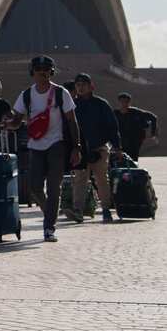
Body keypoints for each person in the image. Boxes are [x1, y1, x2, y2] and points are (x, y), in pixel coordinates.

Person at [7, 55, 82, 243]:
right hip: (35, 146)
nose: (43, 74)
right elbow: (17, 120)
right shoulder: (26, 95)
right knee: (34, 187)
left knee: (54, 186)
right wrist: (10, 123)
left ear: (52, 72)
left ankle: (49, 227)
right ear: (32, 73)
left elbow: (72, 121)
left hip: (57, 144)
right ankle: (52, 210)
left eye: (46, 71)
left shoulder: (60, 93)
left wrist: (76, 147)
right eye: (39, 71)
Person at [70, 73, 120, 224]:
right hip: (80, 150)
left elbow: (112, 126)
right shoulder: (72, 105)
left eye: (83, 84)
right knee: (79, 180)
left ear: (91, 86)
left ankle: (106, 210)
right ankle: (78, 211)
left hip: (99, 148)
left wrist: (117, 147)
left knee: (101, 180)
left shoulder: (101, 104)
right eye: (78, 85)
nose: (80, 87)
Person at [114, 93, 158, 161]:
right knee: (120, 158)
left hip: (135, 139)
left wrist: (153, 134)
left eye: (126, 102)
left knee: (133, 157)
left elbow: (153, 117)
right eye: (122, 101)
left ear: (129, 102)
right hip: (120, 139)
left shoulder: (136, 112)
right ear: (118, 102)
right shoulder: (114, 113)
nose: (124, 104)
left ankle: (133, 169)